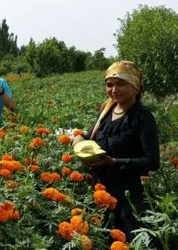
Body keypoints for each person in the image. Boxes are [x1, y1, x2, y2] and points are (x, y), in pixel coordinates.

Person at [72, 60, 160, 240]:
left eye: (121, 84)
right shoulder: (107, 110)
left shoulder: (142, 117)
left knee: (129, 240)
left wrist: (114, 162)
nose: (114, 90)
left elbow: (152, 161)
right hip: (102, 191)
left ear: (135, 86)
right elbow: (90, 135)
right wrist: (78, 139)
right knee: (102, 239)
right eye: (109, 85)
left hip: (130, 197)